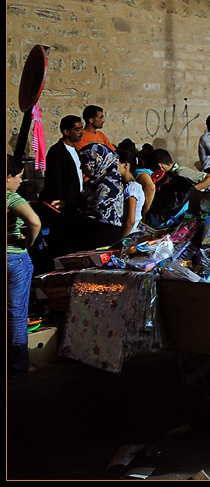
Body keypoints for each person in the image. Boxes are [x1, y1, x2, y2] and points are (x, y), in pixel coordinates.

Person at [8, 155, 41, 376]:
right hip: (14, 259)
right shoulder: (12, 199)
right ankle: (18, 367)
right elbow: (34, 221)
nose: (20, 181)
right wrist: (27, 242)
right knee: (17, 313)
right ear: (8, 177)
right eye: (18, 177)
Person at [72, 143, 126, 251]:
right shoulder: (95, 184)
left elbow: (93, 216)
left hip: (102, 242)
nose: (81, 167)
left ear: (96, 162)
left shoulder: (108, 187)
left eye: (84, 163)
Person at [41, 115, 85, 213]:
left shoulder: (76, 151)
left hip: (74, 203)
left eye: (81, 129)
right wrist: (62, 201)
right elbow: (55, 178)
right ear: (66, 132)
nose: (81, 133)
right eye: (77, 130)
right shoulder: (57, 151)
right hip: (63, 205)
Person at [116, 149, 145, 238]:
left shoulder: (132, 188)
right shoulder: (130, 186)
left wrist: (120, 241)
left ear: (126, 165)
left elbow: (130, 220)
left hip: (128, 234)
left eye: (116, 164)